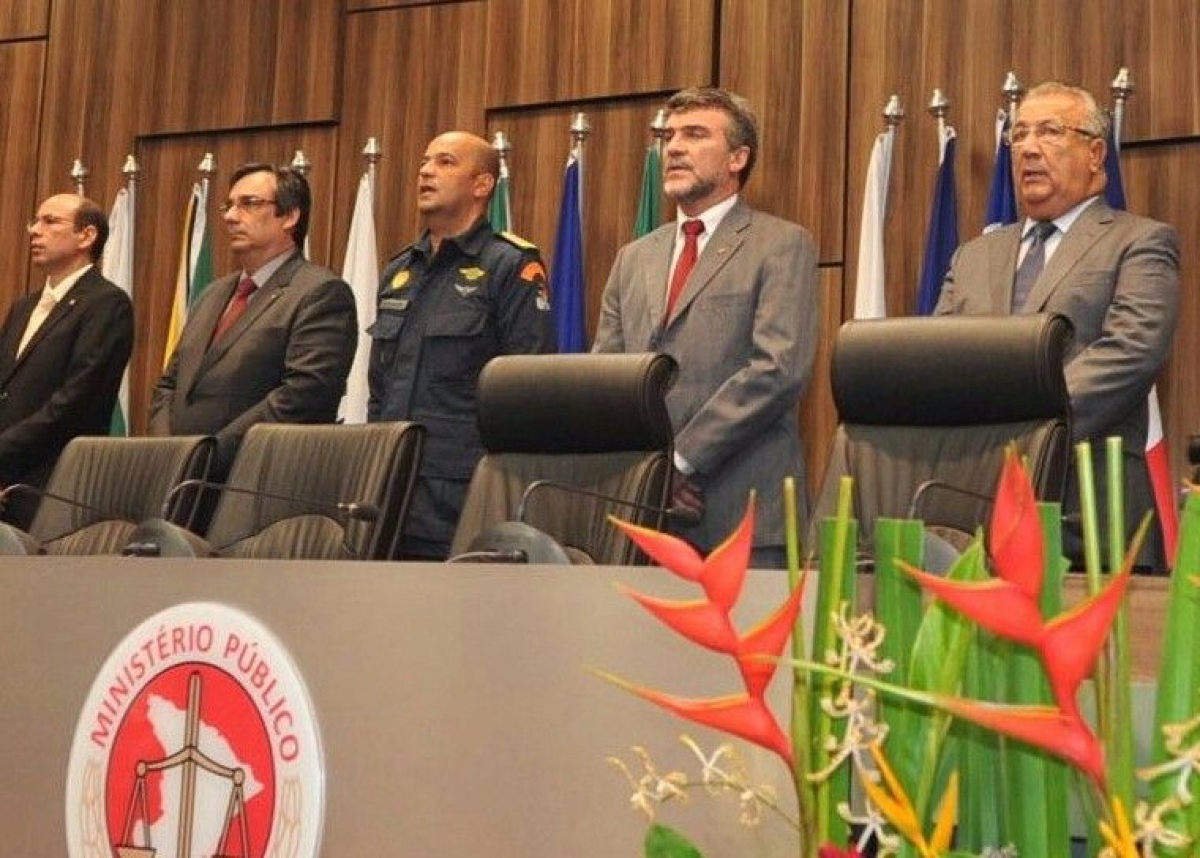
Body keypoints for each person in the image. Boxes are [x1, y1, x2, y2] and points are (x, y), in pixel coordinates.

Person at [936, 81, 1180, 568]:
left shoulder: (1140, 242)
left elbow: (1130, 352)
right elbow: (942, 359)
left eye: (1049, 132)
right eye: (1019, 135)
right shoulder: (972, 256)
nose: (1027, 147)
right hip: (978, 513)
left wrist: (1022, 424)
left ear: (1095, 154)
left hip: (1092, 514)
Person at [593, 87, 819, 568]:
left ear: (738, 157)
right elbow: (607, 377)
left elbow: (777, 370)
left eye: (695, 135)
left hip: (745, 518)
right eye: (669, 136)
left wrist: (679, 462)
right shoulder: (633, 258)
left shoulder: (781, 245)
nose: (673, 148)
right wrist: (650, 472)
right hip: (645, 515)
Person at [368, 131, 554, 560]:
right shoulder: (400, 269)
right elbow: (379, 384)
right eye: (424, 162)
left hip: (460, 491)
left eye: (446, 162)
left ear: (482, 184)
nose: (426, 171)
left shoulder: (510, 264)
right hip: (387, 484)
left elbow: (525, 388)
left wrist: (495, 488)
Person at [150, 163, 357, 480]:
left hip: (254, 483)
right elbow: (169, 385)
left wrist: (207, 455)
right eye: (229, 205)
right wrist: (168, 451)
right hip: (179, 478)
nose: (231, 216)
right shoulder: (212, 294)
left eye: (249, 203)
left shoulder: (320, 293)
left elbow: (302, 396)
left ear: (290, 216)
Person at [0, 194, 134, 527]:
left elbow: (75, 400)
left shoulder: (107, 304)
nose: (34, 230)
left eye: (50, 221)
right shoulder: (23, 307)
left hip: (53, 481)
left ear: (86, 236)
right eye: (35, 221)